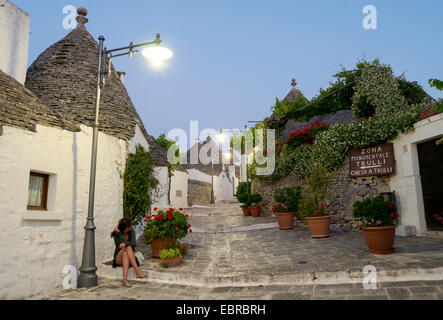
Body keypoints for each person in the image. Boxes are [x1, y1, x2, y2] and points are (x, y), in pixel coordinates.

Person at [111, 217, 146, 287]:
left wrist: (125, 244)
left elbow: (134, 243)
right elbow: (120, 246)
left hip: (129, 257)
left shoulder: (131, 231)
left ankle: (125, 280)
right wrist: (118, 233)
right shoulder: (117, 234)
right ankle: (137, 270)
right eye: (130, 225)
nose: (132, 226)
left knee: (125, 254)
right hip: (118, 258)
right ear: (126, 227)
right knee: (127, 247)